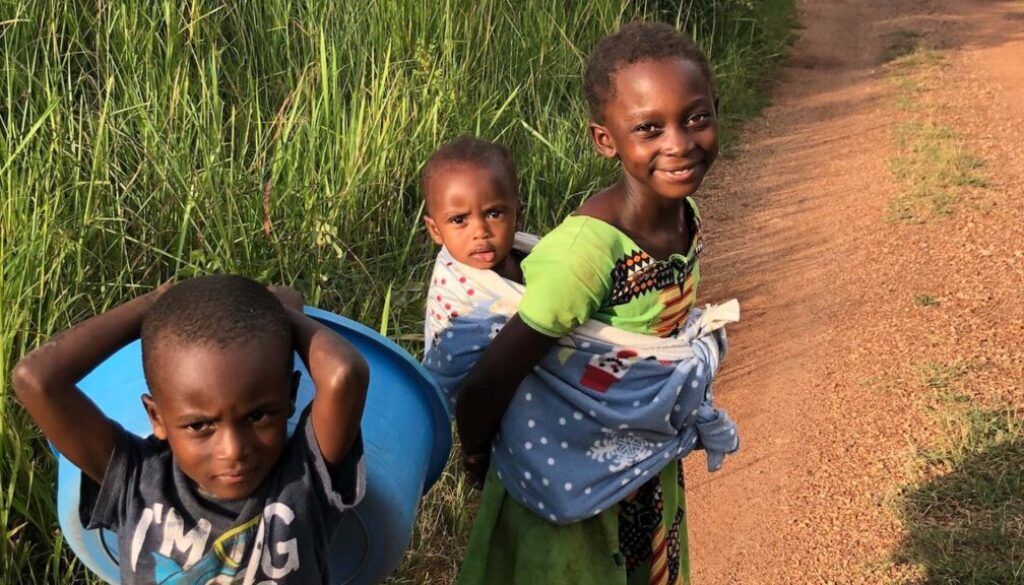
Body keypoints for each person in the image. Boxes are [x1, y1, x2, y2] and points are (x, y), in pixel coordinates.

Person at [455, 21, 723, 585]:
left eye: (696, 117)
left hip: (645, 465)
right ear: (607, 140)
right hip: (569, 479)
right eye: (649, 128)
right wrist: (477, 454)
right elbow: (493, 375)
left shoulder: (683, 219)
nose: (678, 143)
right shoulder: (586, 252)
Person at [12, 275, 369, 584]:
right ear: (157, 418)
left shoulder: (304, 476)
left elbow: (345, 375)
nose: (233, 449)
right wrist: (151, 306)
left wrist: (282, 315)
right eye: (200, 425)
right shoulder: (133, 480)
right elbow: (35, 379)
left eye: (258, 416)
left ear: (290, 396)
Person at [420, 135, 526, 352]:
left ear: (518, 215)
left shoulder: (531, 255)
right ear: (435, 230)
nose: (480, 232)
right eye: (459, 220)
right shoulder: (457, 302)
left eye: (494, 214)